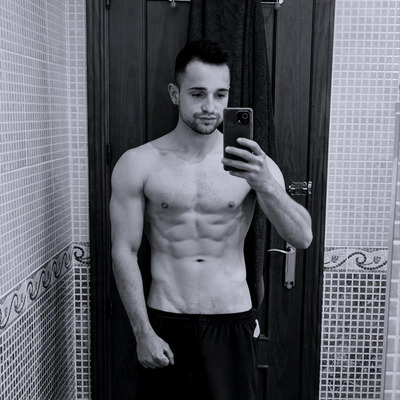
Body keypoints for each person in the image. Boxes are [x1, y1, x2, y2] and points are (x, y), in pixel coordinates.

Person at [110, 39, 313, 400]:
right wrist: (143, 333)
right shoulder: (139, 162)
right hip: (166, 321)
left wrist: (264, 183)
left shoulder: (254, 165)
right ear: (175, 94)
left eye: (220, 95)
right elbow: (124, 250)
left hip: (232, 321)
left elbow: (302, 237)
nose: (209, 107)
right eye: (198, 93)